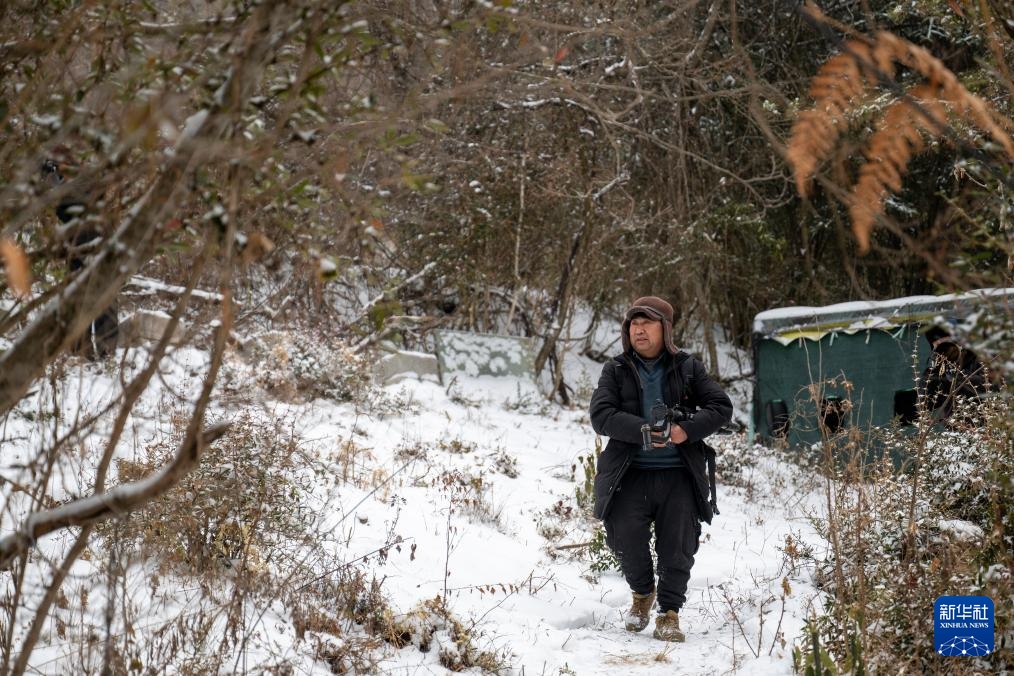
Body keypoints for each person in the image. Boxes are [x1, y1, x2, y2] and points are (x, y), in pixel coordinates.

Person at [589, 296, 732, 642]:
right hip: (630, 472)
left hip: (678, 475)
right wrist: (641, 430)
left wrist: (686, 429)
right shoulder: (617, 369)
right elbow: (601, 415)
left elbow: (721, 406)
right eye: (633, 324)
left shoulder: (687, 367)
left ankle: (669, 612)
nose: (638, 329)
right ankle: (641, 594)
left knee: (677, 546)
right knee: (624, 538)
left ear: (665, 329)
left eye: (647, 323)